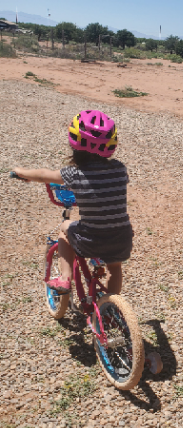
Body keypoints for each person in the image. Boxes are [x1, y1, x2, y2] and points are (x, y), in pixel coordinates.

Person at [13, 110, 133, 295]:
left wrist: (22, 172)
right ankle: (111, 306)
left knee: (64, 228)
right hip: (122, 238)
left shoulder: (74, 174)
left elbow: (45, 175)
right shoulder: (120, 169)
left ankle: (64, 278)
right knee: (115, 268)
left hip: (91, 240)